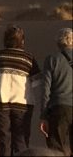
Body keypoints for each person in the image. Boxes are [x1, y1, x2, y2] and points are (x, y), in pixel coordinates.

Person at [0, 25, 42, 156]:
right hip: (23, 103)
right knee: (21, 141)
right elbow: (37, 80)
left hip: (1, 102)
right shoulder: (29, 58)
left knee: (4, 140)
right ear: (22, 41)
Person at [38, 27, 72, 156]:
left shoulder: (52, 59)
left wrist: (43, 116)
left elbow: (45, 89)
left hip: (59, 109)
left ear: (58, 43)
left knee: (57, 150)